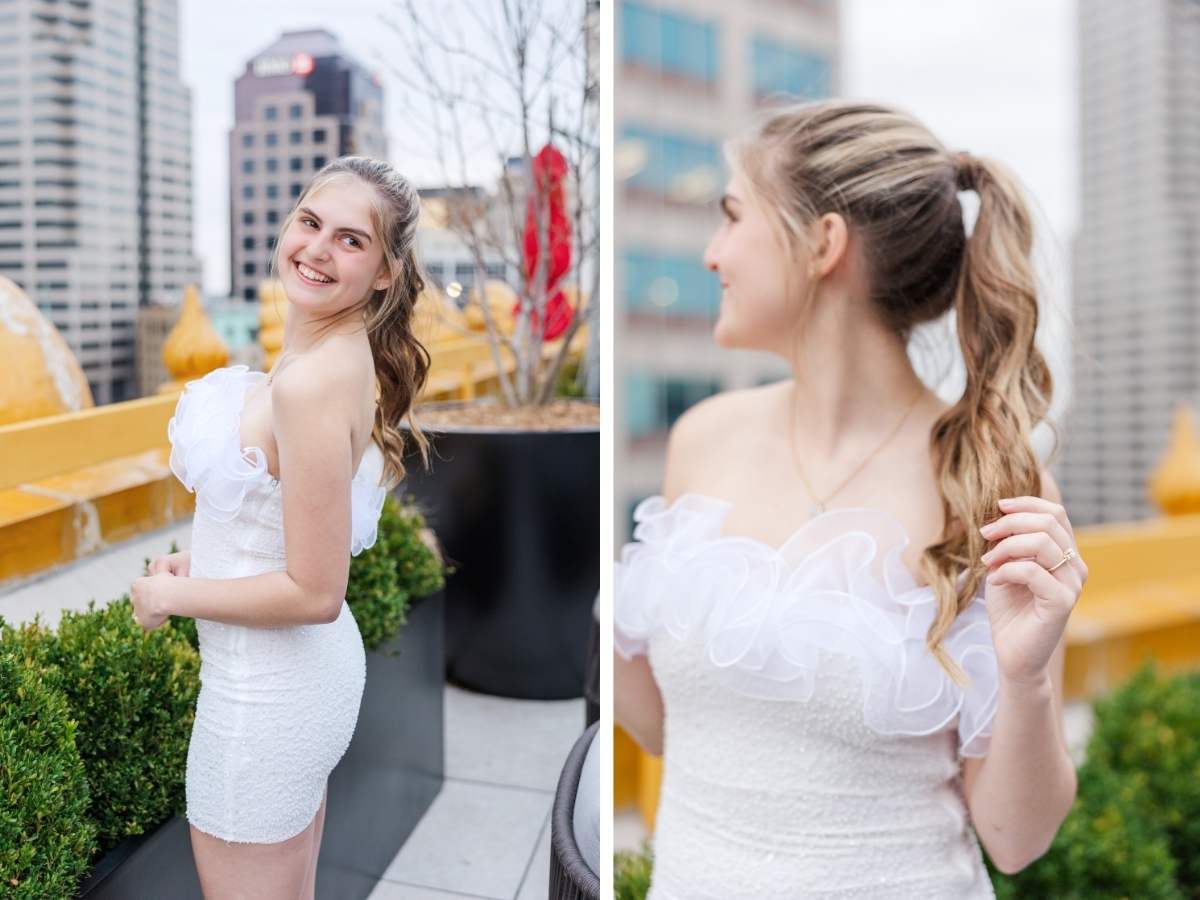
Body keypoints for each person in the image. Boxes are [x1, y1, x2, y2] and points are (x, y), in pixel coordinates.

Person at [614, 99, 1086, 898]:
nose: (712, 253)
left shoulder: (992, 479)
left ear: (823, 244)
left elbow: (1014, 841)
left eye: (733, 216)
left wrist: (1028, 678)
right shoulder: (701, 439)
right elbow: (661, 727)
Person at [130, 156, 431, 899]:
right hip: (293, 684)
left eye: (352, 240)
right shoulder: (332, 356)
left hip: (263, 700)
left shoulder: (308, 381)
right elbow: (279, 518)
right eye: (310, 222)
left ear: (386, 272)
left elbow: (315, 591)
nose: (318, 249)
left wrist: (171, 597)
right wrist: (203, 564)